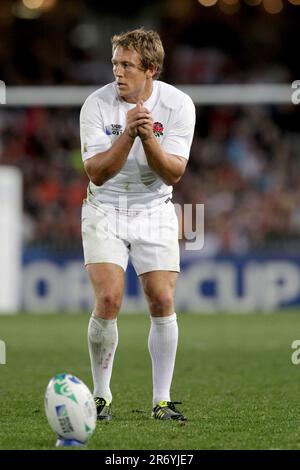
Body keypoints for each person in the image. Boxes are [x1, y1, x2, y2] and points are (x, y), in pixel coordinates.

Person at [80, 28, 195, 422]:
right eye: (115, 63)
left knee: (162, 299)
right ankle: (100, 396)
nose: (118, 71)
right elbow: (96, 173)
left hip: (154, 209)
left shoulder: (178, 105)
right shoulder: (96, 105)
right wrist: (129, 134)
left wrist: (148, 137)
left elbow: (173, 173)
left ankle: (161, 401)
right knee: (109, 299)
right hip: (105, 209)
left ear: (151, 70)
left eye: (126, 64)